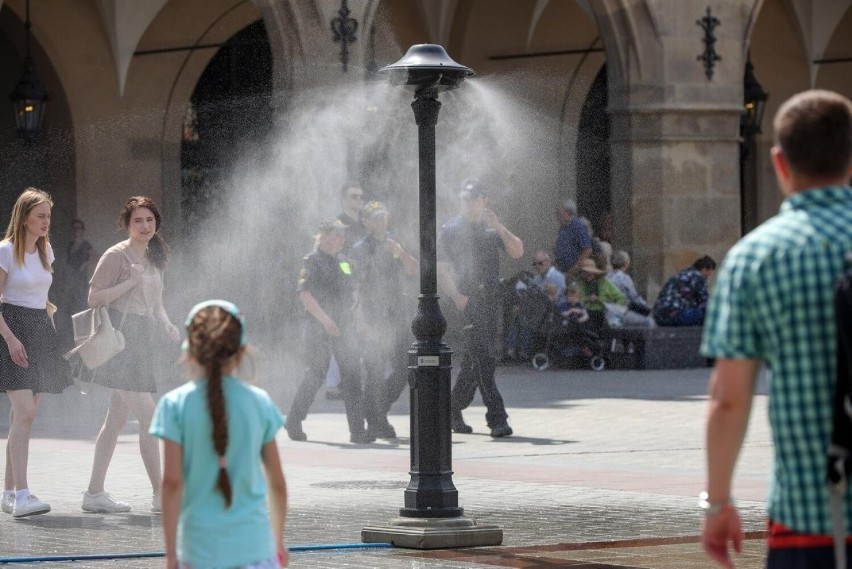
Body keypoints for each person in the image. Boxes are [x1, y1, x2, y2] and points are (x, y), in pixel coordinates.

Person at [700, 90, 852, 568]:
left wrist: (719, 503)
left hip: (811, 514)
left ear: (780, 163)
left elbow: (729, 396)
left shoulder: (756, 257)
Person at [151, 300, 288, 569]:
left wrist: (170, 555)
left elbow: (172, 483)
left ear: (190, 351)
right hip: (256, 550)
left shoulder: (174, 405)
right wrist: (278, 541)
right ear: (240, 351)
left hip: (199, 551)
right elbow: (278, 483)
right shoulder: (259, 402)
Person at [81, 196, 181, 513]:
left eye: (149, 220)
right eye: (137, 220)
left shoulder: (153, 257)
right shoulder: (116, 255)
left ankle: (94, 493)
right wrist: (129, 283)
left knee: (115, 421)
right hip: (119, 342)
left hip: (141, 339)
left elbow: (156, 305)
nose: (144, 226)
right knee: (149, 414)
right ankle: (158, 494)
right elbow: (93, 297)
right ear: (127, 223)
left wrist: (167, 324)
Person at [0, 188, 72, 518]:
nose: (47, 221)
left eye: (49, 216)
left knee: (23, 416)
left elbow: (43, 298)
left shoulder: (46, 252)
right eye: (41, 215)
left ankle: (10, 492)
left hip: (41, 330)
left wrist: (52, 333)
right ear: (24, 216)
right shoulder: (5, 251)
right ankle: (23, 495)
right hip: (11, 329)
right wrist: (12, 340)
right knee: (25, 413)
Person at [437, 180, 523, 438]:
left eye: (474, 199)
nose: (469, 203)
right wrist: (456, 296)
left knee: (476, 360)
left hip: (492, 300)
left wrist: (498, 226)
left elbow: (518, 251)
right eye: (465, 199)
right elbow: (441, 267)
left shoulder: (491, 228)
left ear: (484, 200)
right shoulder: (451, 229)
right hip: (467, 300)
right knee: (483, 358)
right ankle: (497, 418)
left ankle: (451, 408)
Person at [287, 219, 373, 444]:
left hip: (344, 324)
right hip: (319, 325)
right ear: (324, 236)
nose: (342, 239)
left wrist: (358, 318)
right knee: (316, 374)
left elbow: (352, 287)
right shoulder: (312, 262)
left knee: (352, 374)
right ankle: (294, 420)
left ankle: (358, 430)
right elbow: (305, 296)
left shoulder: (343, 259)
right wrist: (326, 321)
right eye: (337, 234)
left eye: (343, 235)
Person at [350, 201, 417, 440]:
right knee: (375, 370)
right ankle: (377, 420)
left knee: (406, 367)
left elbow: (413, 269)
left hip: (396, 313)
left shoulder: (394, 241)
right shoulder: (359, 249)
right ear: (365, 221)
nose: (381, 221)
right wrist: (359, 320)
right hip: (372, 314)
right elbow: (354, 285)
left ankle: (377, 411)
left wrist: (399, 252)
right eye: (375, 217)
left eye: (383, 216)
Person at [652, 255, 716, 327]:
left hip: (659, 317)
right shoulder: (698, 277)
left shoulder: (680, 275)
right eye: (709, 273)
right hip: (677, 315)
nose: (708, 276)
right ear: (705, 269)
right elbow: (706, 302)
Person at [576, 258, 626, 330]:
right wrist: (587, 299)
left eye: (590, 272)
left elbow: (621, 298)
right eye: (585, 272)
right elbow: (572, 301)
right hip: (583, 315)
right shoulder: (578, 284)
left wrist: (601, 301)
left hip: (604, 315)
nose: (587, 275)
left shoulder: (605, 283)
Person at [608, 250, 654, 327]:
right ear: (626, 263)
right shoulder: (624, 278)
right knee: (649, 322)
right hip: (618, 315)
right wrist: (648, 308)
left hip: (608, 314)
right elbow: (634, 297)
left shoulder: (607, 276)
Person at [64, 219, 96, 315]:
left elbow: (97, 256)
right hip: (70, 278)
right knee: (70, 304)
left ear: (82, 230)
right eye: (75, 228)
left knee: (81, 304)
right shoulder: (70, 245)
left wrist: (86, 263)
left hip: (81, 279)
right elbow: (67, 262)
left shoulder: (86, 245)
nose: (77, 230)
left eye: (79, 228)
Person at [553, 198, 591, 276]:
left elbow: (587, 250)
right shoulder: (563, 227)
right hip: (562, 269)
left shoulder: (578, 226)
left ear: (567, 213)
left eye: (559, 212)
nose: (557, 215)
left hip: (573, 271)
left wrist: (576, 267)